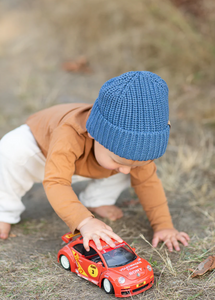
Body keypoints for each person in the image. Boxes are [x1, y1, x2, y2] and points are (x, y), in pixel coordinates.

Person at [0, 71, 190, 252]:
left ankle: (96, 200)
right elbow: (56, 182)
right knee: (10, 153)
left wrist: (164, 225)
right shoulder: (69, 133)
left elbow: (148, 183)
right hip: (39, 156)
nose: (125, 170)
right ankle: (4, 212)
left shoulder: (131, 155)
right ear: (94, 133)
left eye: (135, 163)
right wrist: (84, 221)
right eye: (119, 160)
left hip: (83, 165)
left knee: (134, 172)